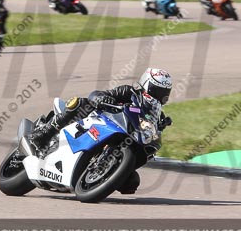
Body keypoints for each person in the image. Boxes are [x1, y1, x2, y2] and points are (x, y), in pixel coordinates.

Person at [29, 68, 173, 193]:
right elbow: (96, 94)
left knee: (132, 182)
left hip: (124, 138)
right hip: (99, 120)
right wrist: (103, 98)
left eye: (164, 93)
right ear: (146, 85)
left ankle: (101, 175)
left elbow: (153, 129)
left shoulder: (156, 114)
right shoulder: (129, 92)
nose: (160, 96)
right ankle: (43, 134)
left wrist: (158, 129)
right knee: (80, 103)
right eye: (157, 91)